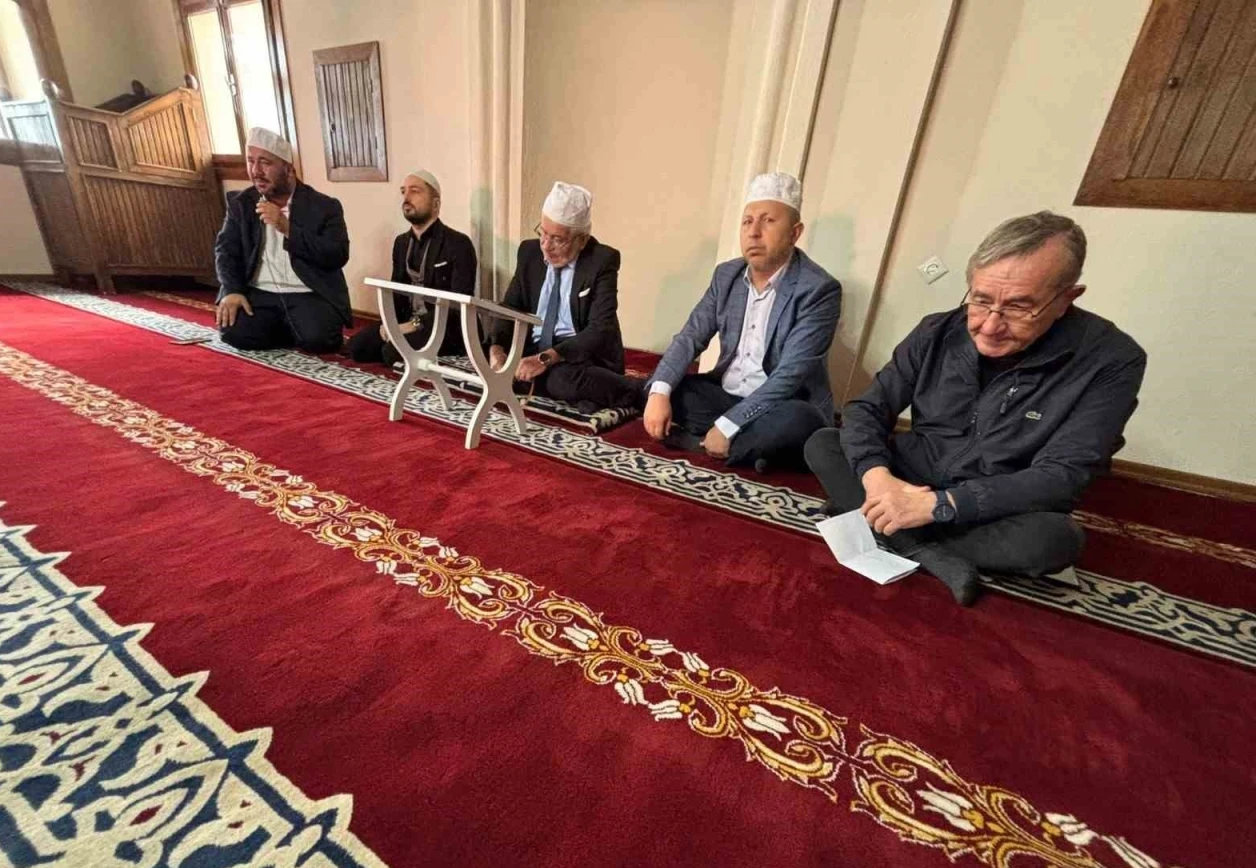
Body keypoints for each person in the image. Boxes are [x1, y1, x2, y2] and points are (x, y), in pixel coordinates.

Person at [804, 211, 1147, 606]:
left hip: (992, 500)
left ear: (1066, 299)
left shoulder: (1112, 360)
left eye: (1018, 307)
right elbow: (867, 410)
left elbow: (1062, 475)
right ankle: (919, 544)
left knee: (1054, 542)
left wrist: (940, 505)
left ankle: (880, 522)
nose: (989, 326)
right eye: (981, 301)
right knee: (823, 444)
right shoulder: (937, 331)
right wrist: (878, 479)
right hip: (911, 474)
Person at [642, 172, 840, 471]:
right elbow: (690, 337)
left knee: (800, 422)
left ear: (794, 233)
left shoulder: (818, 289)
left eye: (768, 221)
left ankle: (708, 442)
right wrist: (660, 393)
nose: (754, 232)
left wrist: (729, 424)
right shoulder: (727, 275)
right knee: (665, 386)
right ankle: (755, 452)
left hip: (781, 403)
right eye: (747, 222)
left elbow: (790, 376)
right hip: (725, 395)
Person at [488, 182, 642, 413]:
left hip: (578, 353)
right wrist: (497, 351)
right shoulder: (529, 252)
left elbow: (600, 328)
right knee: (486, 357)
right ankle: (587, 394)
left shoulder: (601, 260)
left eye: (558, 239)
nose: (546, 246)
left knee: (561, 379)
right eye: (543, 233)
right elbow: (510, 307)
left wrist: (544, 359)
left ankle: (631, 390)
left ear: (582, 240)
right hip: (534, 347)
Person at [213, 127, 350, 352]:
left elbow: (337, 255)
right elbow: (226, 251)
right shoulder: (241, 204)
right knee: (234, 333)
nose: (256, 171)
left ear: (288, 169)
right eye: (250, 161)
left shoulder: (324, 206)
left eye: (265, 163)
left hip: (307, 292)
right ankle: (286, 327)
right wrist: (232, 290)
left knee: (320, 340)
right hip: (260, 292)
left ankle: (288, 327)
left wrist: (287, 228)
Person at [346, 170, 477, 365]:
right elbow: (396, 292)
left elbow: (457, 305)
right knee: (357, 347)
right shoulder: (401, 243)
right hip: (407, 322)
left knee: (391, 352)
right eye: (403, 192)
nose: (406, 198)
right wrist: (389, 326)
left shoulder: (458, 243)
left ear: (436, 204)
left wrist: (414, 325)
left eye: (415, 191)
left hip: (445, 327)